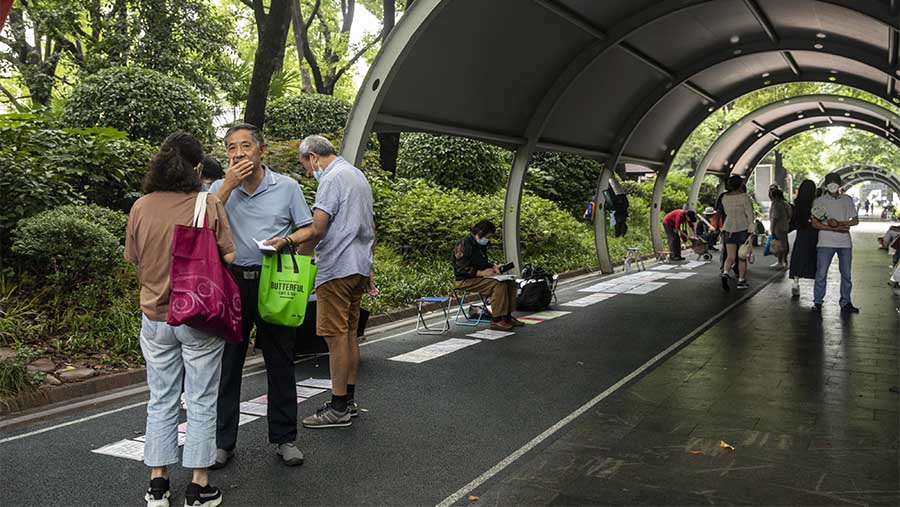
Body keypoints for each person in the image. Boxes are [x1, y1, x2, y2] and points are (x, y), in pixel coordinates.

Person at [125, 132, 235, 507]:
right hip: (199, 316)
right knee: (201, 399)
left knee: (161, 399)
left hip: (155, 316)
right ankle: (199, 487)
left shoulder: (140, 206)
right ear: (198, 168)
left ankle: (158, 484)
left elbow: (133, 258)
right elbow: (230, 257)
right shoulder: (207, 204)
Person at [208, 124, 313, 468]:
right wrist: (227, 187)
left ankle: (285, 439)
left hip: (274, 280)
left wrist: (287, 242)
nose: (237, 154)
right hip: (232, 282)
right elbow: (200, 226)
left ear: (261, 150)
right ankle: (223, 442)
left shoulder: (287, 187)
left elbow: (309, 227)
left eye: (245, 146)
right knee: (228, 365)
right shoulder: (218, 189)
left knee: (281, 362)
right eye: (231, 148)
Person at [264, 135, 377, 428]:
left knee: (335, 338)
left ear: (313, 157)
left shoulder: (331, 179)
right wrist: (370, 268)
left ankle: (337, 407)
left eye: (305, 167)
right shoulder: (357, 175)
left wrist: (290, 247)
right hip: (358, 267)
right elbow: (371, 226)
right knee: (350, 334)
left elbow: (317, 227)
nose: (308, 173)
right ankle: (348, 401)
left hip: (337, 267)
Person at [449, 220, 523, 331]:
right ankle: (497, 319)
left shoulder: (480, 245)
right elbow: (461, 269)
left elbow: (482, 263)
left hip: (478, 278)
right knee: (498, 285)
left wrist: (493, 267)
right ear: (479, 232)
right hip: (465, 280)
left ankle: (507, 316)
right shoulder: (463, 244)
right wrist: (481, 273)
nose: (487, 239)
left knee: (510, 282)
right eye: (487, 236)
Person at [811, 173, 860, 314]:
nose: (833, 185)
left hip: (845, 243)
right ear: (826, 185)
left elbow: (855, 220)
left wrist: (840, 224)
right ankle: (818, 302)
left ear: (840, 184)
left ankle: (846, 302)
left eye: (835, 182)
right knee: (821, 274)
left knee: (846, 275)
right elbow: (815, 223)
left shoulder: (847, 200)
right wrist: (835, 228)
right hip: (825, 242)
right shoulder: (819, 201)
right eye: (830, 182)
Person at [720, 175, 755, 291]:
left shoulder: (724, 197)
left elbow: (726, 212)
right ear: (741, 184)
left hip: (728, 229)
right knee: (742, 257)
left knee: (730, 256)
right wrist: (751, 230)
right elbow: (750, 215)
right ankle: (741, 281)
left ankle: (725, 273)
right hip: (742, 229)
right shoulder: (744, 197)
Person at [789, 180, 819, 297]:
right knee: (814, 257)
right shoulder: (816, 203)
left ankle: (795, 281)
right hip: (814, 232)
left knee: (799, 256)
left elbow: (794, 219)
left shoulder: (797, 203)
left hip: (801, 233)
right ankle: (816, 284)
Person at [768, 188, 792, 269]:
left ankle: (781, 261)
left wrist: (772, 228)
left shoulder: (776, 204)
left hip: (778, 227)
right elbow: (790, 215)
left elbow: (775, 217)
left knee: (780, 244)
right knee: (784, 243)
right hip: (785, 226)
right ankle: (784, 261)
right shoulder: (785, 203)